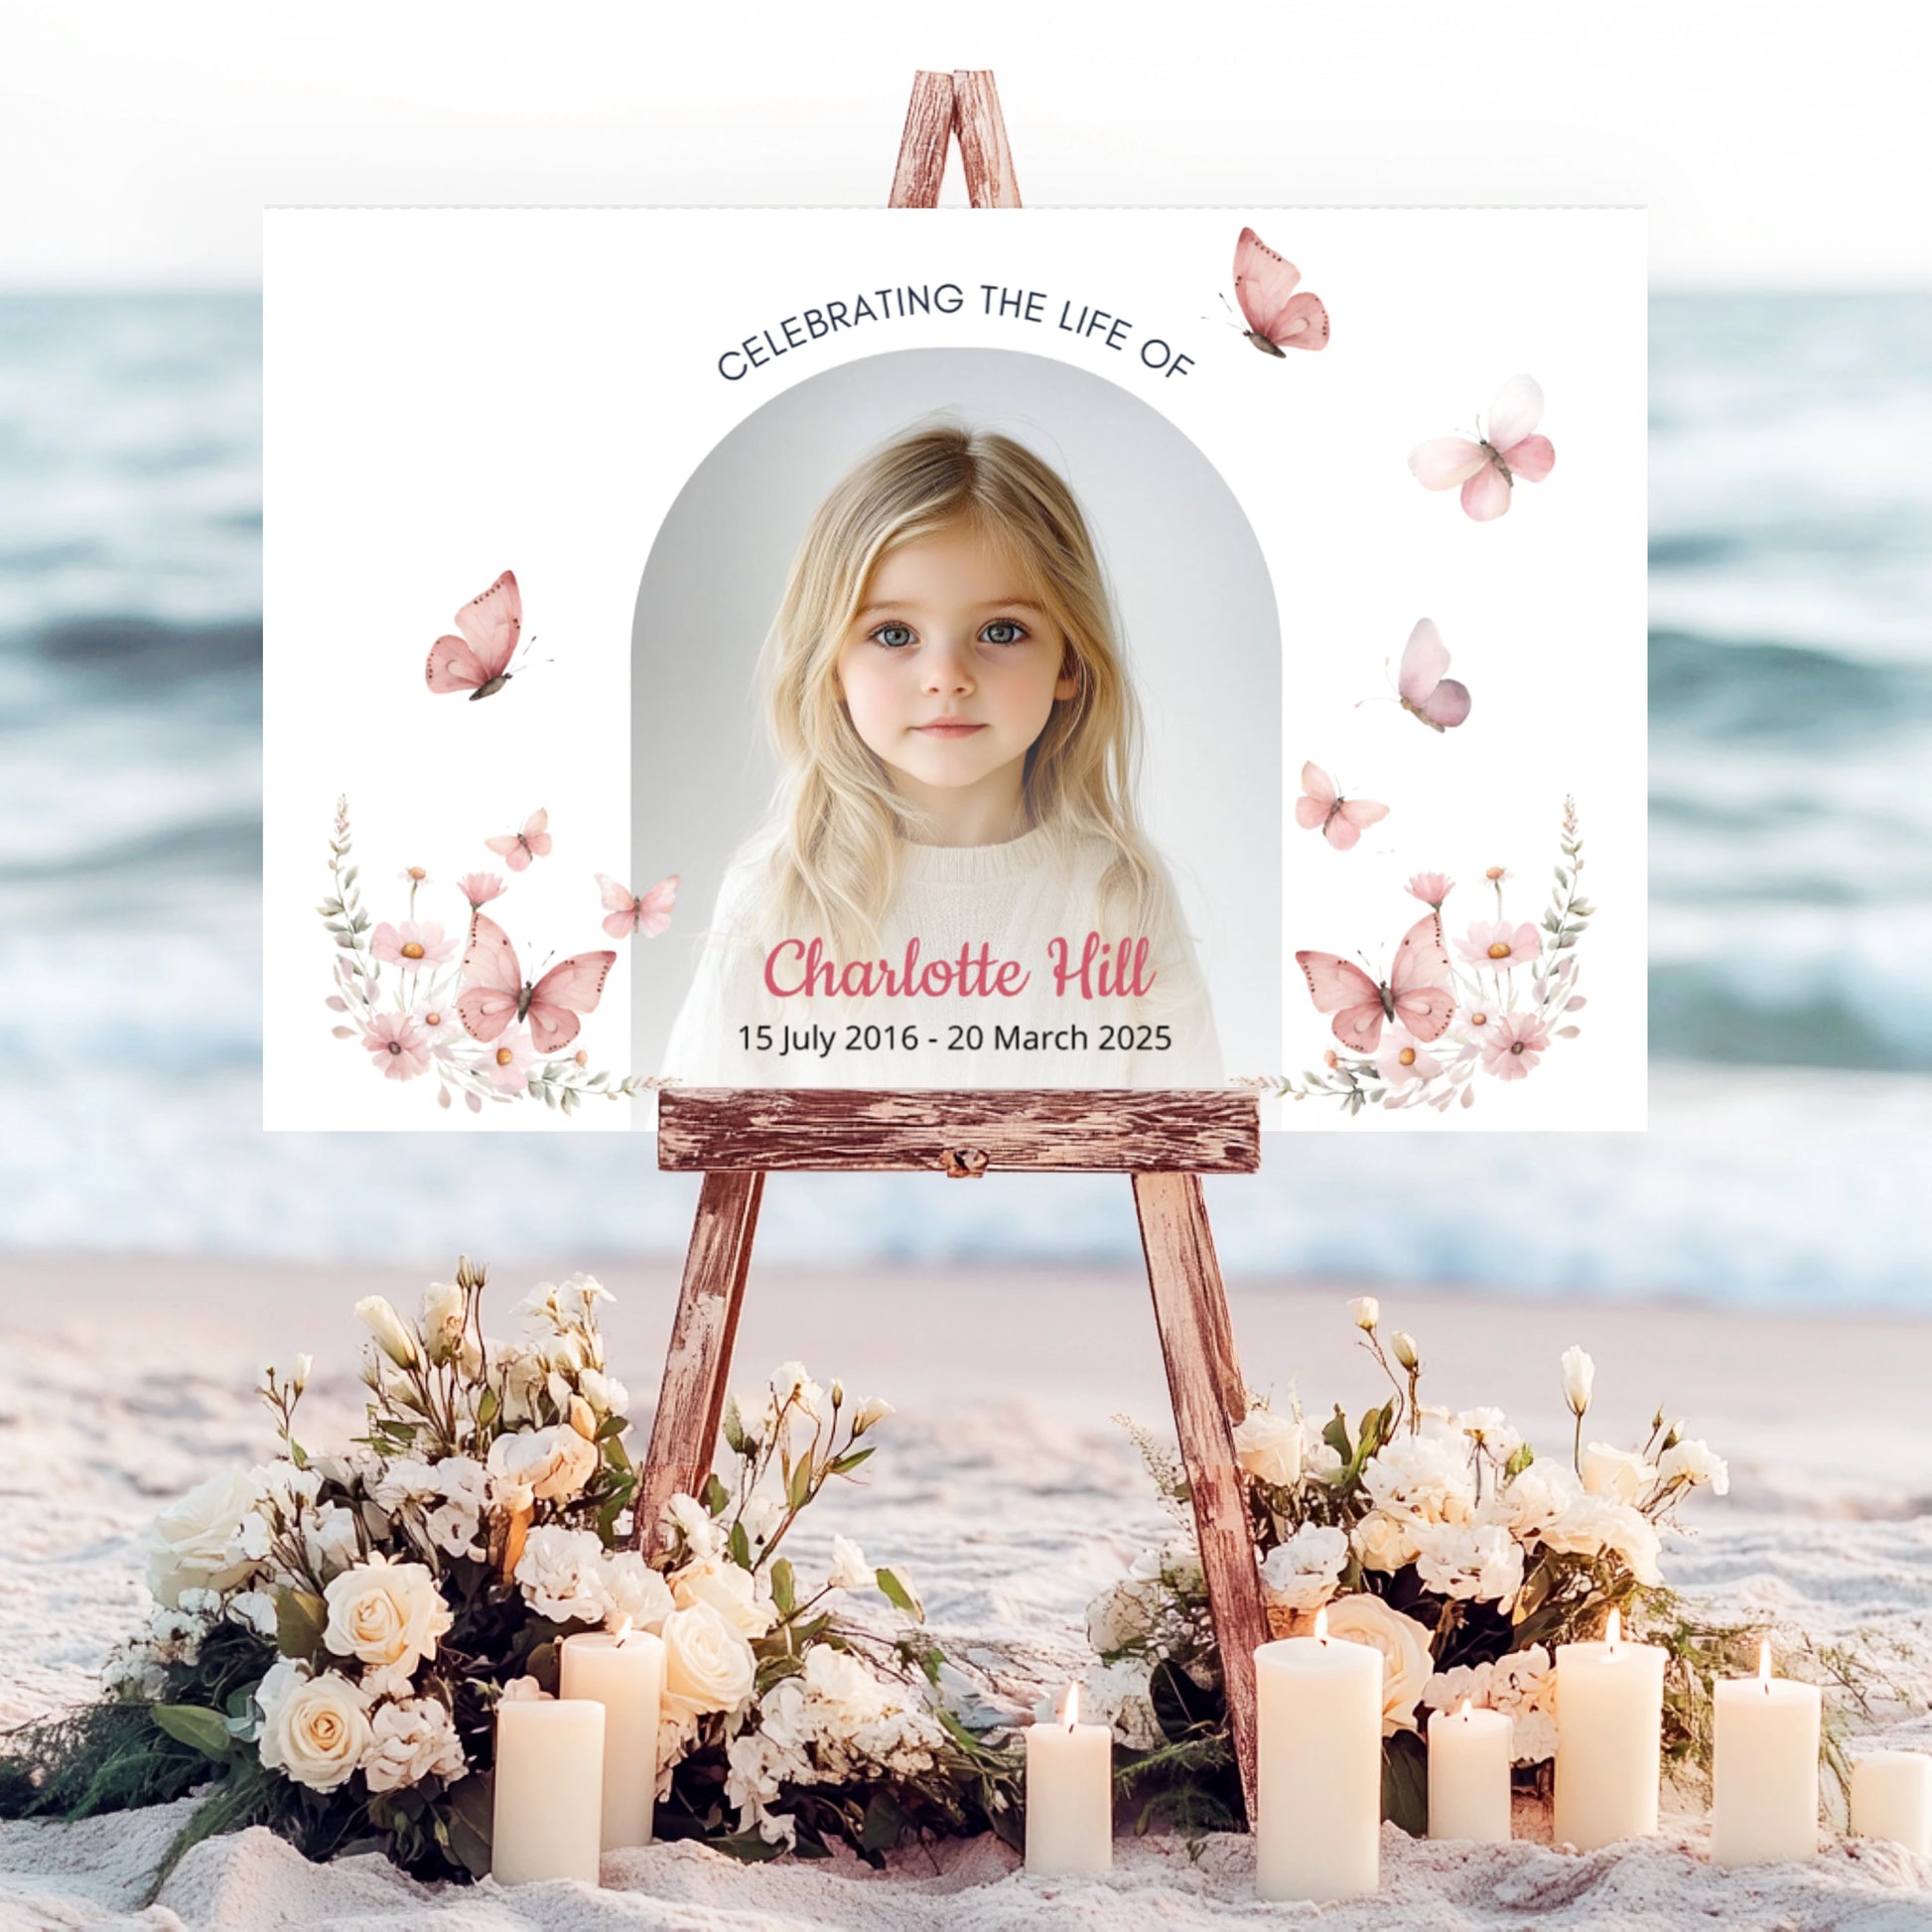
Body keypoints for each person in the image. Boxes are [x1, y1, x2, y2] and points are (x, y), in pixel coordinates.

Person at [660, 421, 1222, 1088]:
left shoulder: (1120, 895)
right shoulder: (776, 897)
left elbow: (1185, 1132)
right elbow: (699, 1134)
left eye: (1001, 631)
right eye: (895, 634)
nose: (947, 677)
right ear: (831, 666)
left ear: (1070, 662)